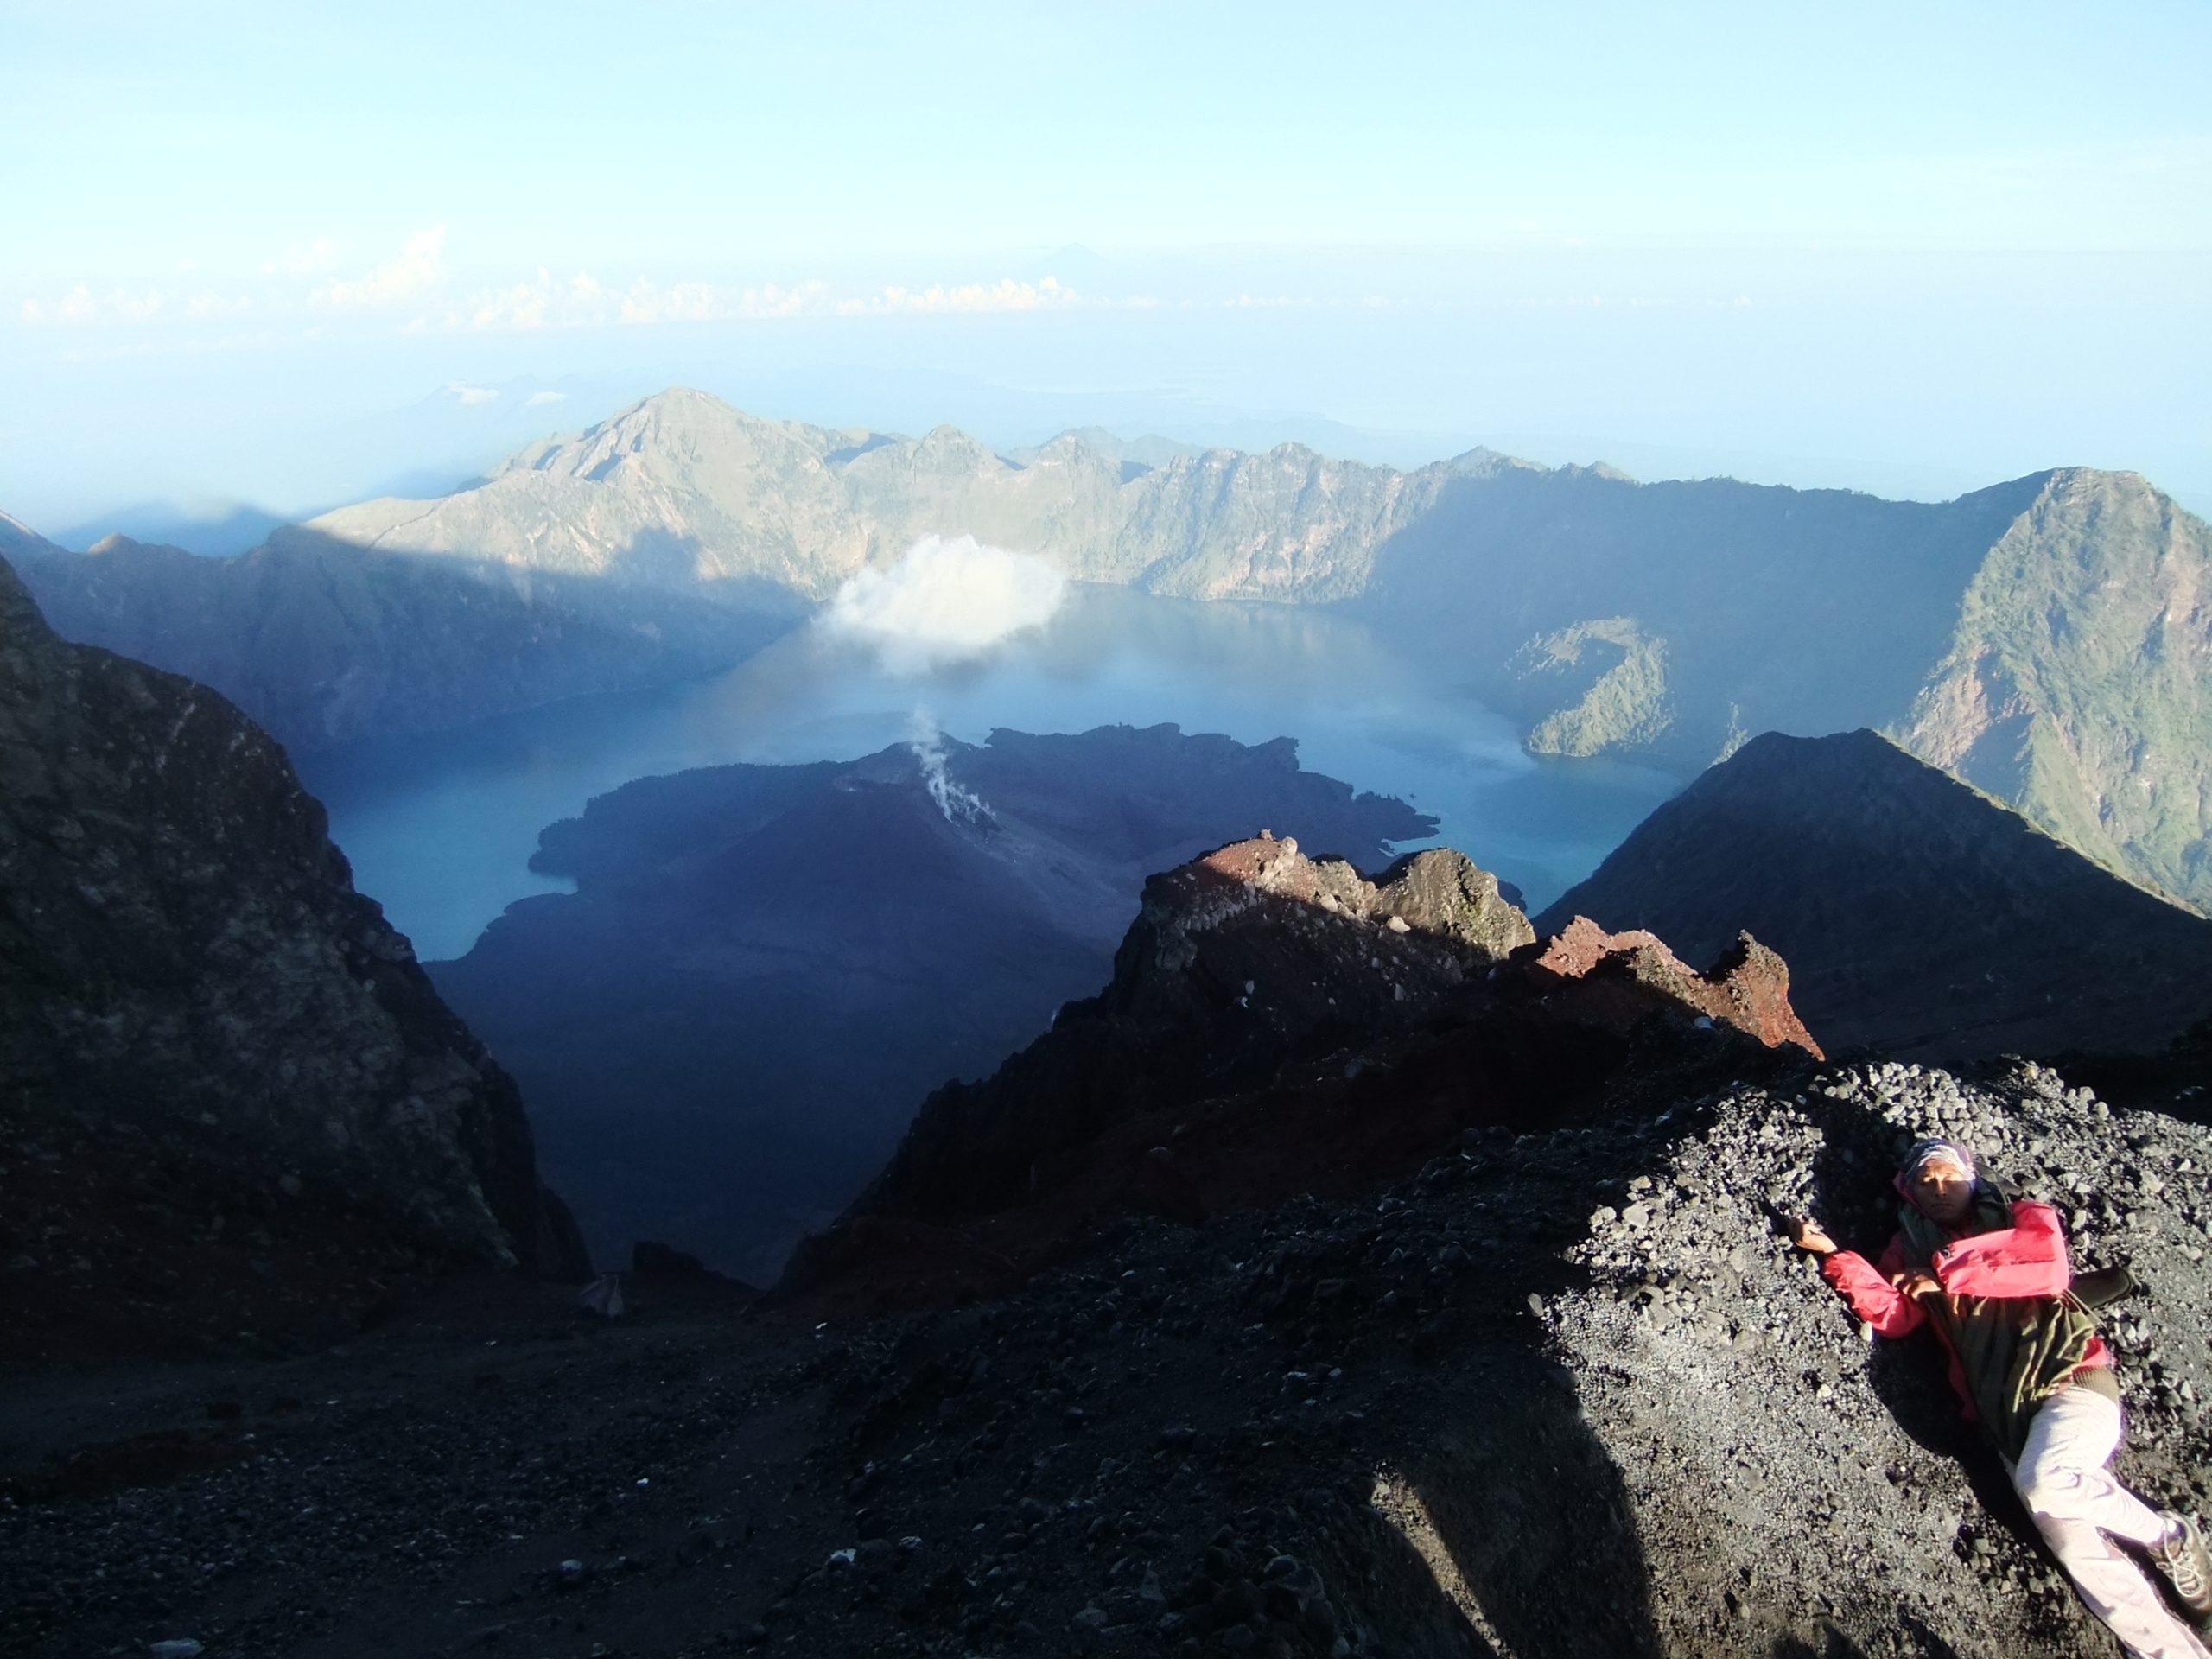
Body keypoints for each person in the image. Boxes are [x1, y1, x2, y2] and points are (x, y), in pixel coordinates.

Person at [1789, 1135, 2212, 1659]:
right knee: (2083, 1558)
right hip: (2003, 1412)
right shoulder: (1906, 1247)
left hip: (2068, 1378)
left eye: (1949, 1177)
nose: (1939, 1188)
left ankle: (2168, 1535)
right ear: (1909, 1190)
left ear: (1972, 1178)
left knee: (2046, 1480)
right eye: (1926, 1180)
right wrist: (1835, 1256)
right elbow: (1899, 1317)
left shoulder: (2021, 1215)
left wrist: (1946, 1270)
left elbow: (2047, 1265)